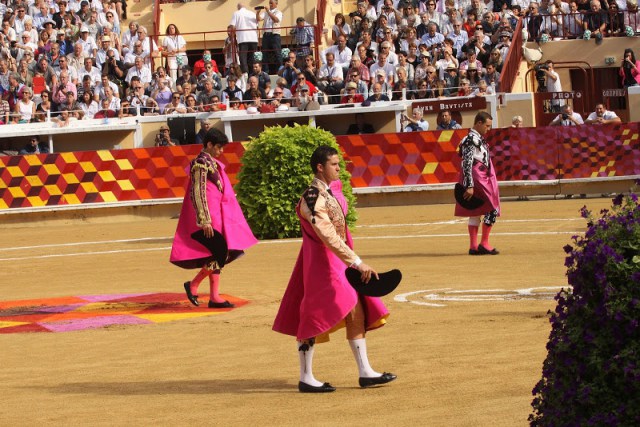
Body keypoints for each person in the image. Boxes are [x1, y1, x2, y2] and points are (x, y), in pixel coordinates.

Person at [272, 145, 395, 393]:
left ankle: (365, 372)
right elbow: (327, 235)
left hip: (336, 263)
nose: (339, 168)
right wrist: (357, 262)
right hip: (322, 266)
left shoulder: (328, 192)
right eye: (334, 164)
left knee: (356, 311)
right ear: (320, 167)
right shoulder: (312, 197)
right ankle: (306, 377)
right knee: (312, 315)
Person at [170, 128, 258, 309]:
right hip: (209, 217)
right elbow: (198, 191)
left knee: (216, 254)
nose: (221, 151)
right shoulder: (200, 164)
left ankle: (214, 297)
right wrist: (204, 219)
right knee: (220, 253)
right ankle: (194, 285)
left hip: (216, 215)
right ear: (209, 144)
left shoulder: (209, 163)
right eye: (218, 147)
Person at [455, 112, 500, 256]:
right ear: (478, 123)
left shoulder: (475, 138)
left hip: (479, 175)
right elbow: (466, 162)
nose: (488, 129)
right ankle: (484, 244)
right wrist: (469, 185)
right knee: (492, 209)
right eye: (487, 126)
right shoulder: (470, 139)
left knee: (476, 209)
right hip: (478, 177)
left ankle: (473, 246)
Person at [229, 3, 259, 75]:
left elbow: (232, 26)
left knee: (243, 58)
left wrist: (233, 35)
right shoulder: (252, 13)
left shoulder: (236, 13)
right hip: (253, 39)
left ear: (238, 7)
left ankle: (246, 74)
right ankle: (252, 74)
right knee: (252, 58)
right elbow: (257, 26)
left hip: (243, 39)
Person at [256, 0, 282, 74]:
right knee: (264, 54)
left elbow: (276, 20)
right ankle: (265, 71)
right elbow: (258, 19)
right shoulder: (266, 12)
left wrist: (268, 11)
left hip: (275, 35)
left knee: (277, 53)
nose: (270, 4)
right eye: (269, 3)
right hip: (266, 34)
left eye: (271, 3)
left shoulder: (278, 12)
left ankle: (280, 71)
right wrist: (257, 12)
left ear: (276, 4)